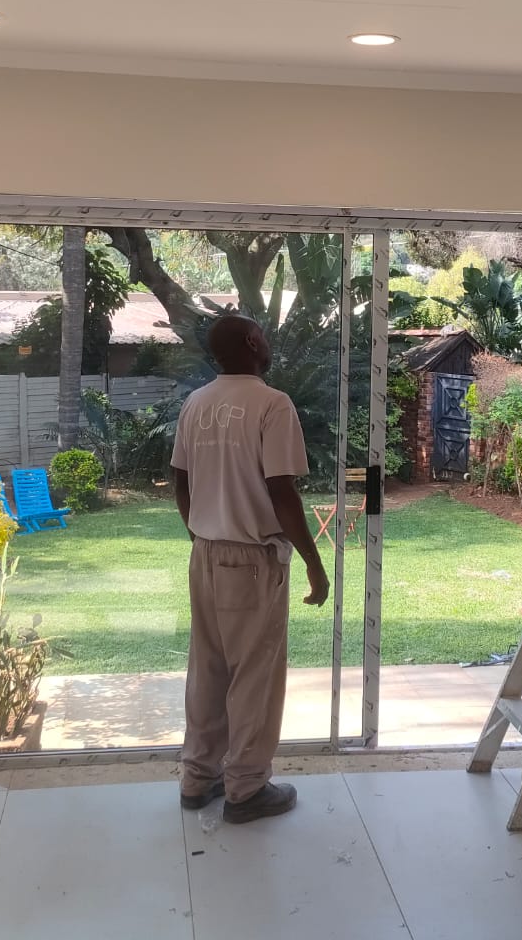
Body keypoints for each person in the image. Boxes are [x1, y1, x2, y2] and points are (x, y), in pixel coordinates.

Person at [170, 315, 331, 824]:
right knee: (254, 673)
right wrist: (313, 562)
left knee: (209, 668)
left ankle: (198, 777)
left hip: (206, 553)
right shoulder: (272, 404)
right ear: (253, 342)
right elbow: (282, 491)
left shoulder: (196, 404)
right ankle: (246, 787)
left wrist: (200, 535)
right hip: (253, 559)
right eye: (263, 333)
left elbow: (180, 480)